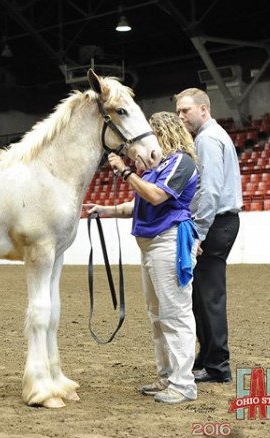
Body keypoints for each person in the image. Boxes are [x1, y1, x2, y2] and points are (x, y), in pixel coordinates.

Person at [84, 112, 199, 404]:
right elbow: (136, 205)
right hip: (151, 245)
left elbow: (156, 196)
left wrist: (125, 171)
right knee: (158, 315)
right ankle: (167, 375)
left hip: (169, 242)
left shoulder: (181, 162)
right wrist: (106, 209)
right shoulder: (156, 167)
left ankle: (183, 383)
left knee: (175, 314)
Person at [175, 88, 243, 383]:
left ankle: (217, 365)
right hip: (219, 223)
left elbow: (210, 190)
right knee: (202, 296)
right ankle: (207, 359)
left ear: (204, 109)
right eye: (178, 112)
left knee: (209, 296)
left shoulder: (207, 140)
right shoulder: (210, 137)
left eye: (185, 111)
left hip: (215, 225)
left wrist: (199, 232)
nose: (181, 117)